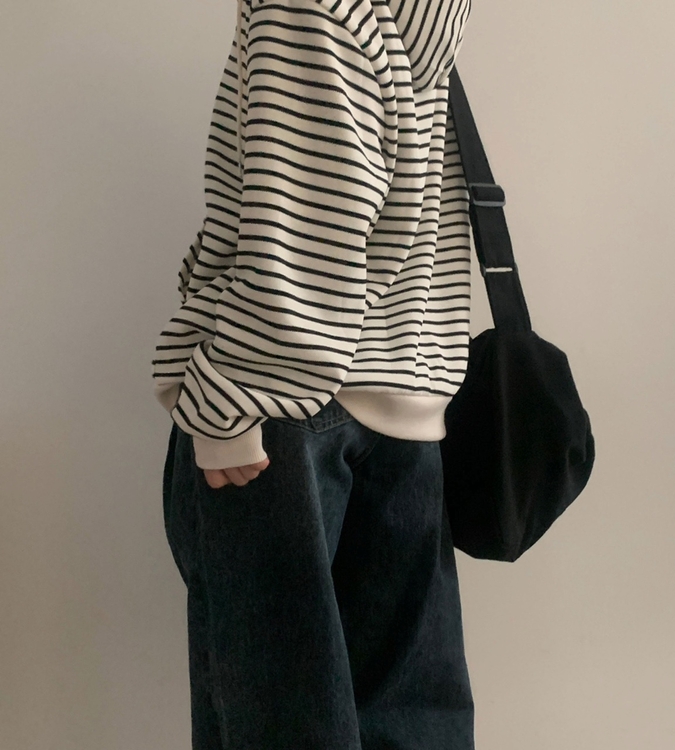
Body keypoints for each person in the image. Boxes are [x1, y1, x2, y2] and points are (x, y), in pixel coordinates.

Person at [152, 0, 476, 747]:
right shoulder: (418, 15)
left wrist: (227, 407)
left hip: (282, 418)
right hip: (408, 399)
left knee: (279, 725)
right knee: (410, 719)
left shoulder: (309, 6)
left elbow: (305, 231)